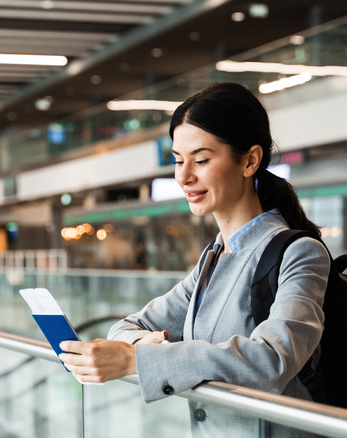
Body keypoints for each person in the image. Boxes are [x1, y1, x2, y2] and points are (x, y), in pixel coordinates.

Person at [58, 83, 330, 437]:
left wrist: (133, 359)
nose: (184, 176)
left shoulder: (299, 252)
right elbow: (126, 326)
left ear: (250, 160)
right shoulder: (213, 259)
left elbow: (272, 360)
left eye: (201, 160)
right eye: (177, 160)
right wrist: (140, 346)